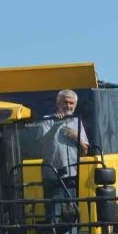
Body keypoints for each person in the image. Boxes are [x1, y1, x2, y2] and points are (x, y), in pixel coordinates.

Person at [39, 89, 89, 225]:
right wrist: (56, 125)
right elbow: (42, 146)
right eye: (65, 102)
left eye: (71, 103)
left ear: (75, 105)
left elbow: (85, 150)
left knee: (72, 214)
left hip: (72, 175)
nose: (68, 106)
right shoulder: (47, 120)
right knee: (53, 216)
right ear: (58, 103)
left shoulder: (77, 121)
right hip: (52, 176)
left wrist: (76, 137)